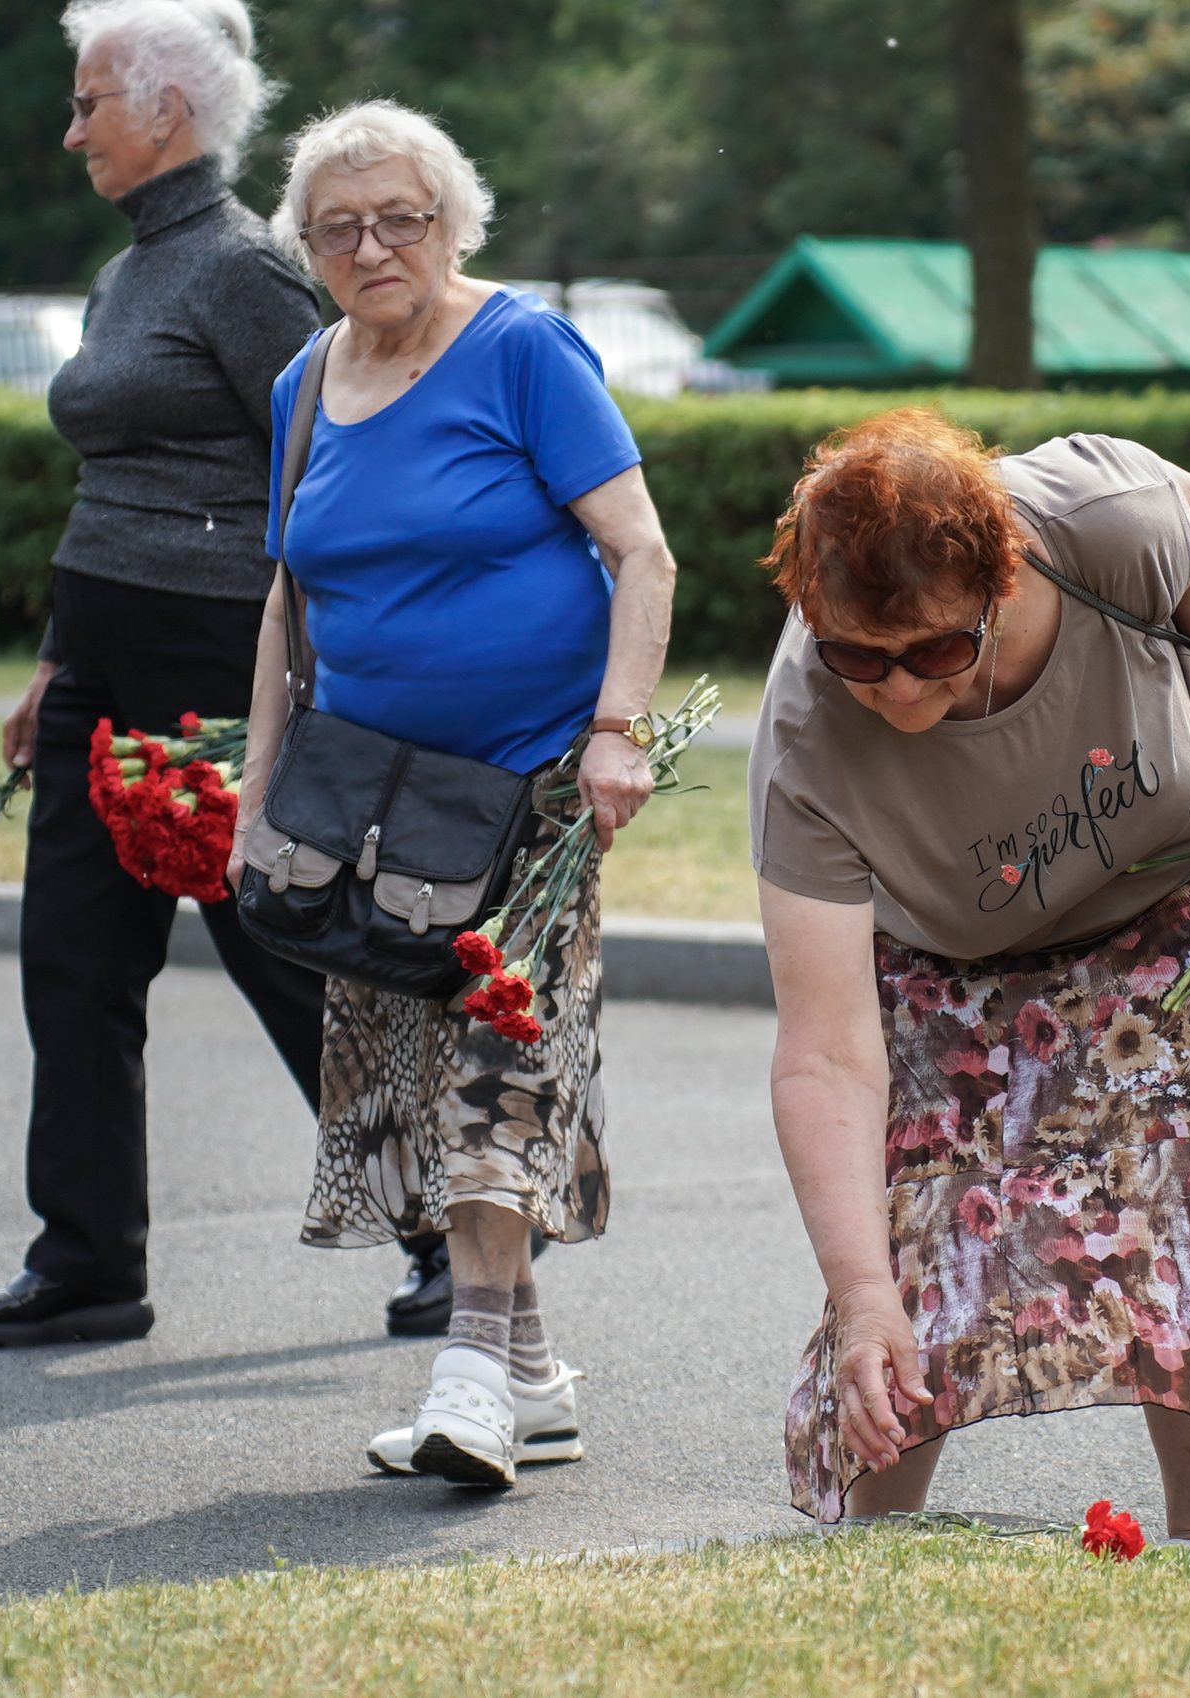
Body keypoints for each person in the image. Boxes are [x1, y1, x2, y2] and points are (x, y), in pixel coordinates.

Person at [749, 409, 1190, 1538]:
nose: (897, 693)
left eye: (936, 650)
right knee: (917, 1264)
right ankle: (870, 1552)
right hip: (959, 967)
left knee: (1176, 1205)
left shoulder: (1095, 521)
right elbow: (828, 1052)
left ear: (1003, 577)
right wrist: (861, 1291)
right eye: (856, 657)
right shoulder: (805, 739)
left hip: (1174, 902)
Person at [0, 0, 455, 1348]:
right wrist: (56, 662)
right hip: (100, 659)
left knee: (285, 949)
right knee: (72, 963)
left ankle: (448, 1232)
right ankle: (88, 1262)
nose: (71, 133)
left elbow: (334, 465)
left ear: (165, 109)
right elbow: (109, 481)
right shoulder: (129, 275)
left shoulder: (245, 271)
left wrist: (324, 673)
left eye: (87, 104)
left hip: (215, 661)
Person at [231, 99, 677, 1486]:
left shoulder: (521, 349)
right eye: (339, 227)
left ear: (451, 223)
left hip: (529, 790)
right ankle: (531, 1376)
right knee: (431, 1075)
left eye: (399, 219)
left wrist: (617, 731)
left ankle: (471, 1376)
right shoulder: (305, 380)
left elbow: (643, 554)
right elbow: (288, 601)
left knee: (498, 1061)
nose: (372, 247)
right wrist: (256, 786)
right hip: (370, 802)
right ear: (306, 247)